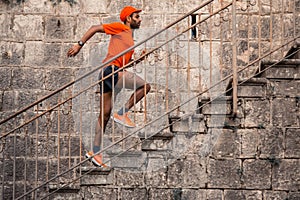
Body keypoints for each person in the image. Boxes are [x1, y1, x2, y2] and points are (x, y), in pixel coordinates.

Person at [67, 6, 151, 167]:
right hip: (111, 71)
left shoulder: (128, 38)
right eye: (137, 17)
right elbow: (94, 28)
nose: (140, 20)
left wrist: (139, 59)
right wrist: (79, 45)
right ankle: (122, 113)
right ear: (128, 18)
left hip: (109, 73)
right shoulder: (120, 27)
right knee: (145, 87)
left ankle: (95, 152)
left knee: (104, 116)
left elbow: (122, 62)